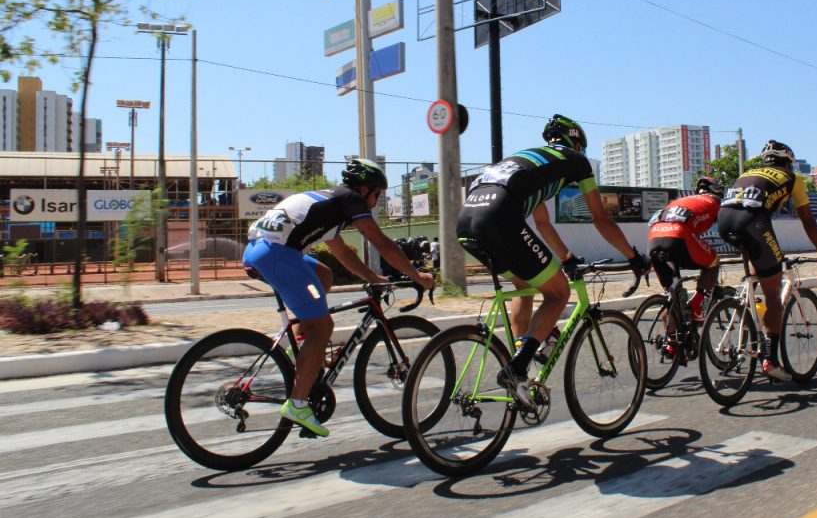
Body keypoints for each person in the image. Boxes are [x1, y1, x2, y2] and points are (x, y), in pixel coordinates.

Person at [457, 114, 650, 407]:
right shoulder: (574, 160)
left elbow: (543, 224)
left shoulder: (528, 161)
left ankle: (520, 360)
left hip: (467, 220)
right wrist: (633, 256)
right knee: (558, 293)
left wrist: (566, 256)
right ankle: (518, 368)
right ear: (576, 143)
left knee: (525, 282)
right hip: (499, 216)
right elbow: (601, 219)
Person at [243, 158, 435, 438]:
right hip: (278, 255)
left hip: (258, 251)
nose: (377, 200)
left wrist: (374, 279)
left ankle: (299, 345)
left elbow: (342, 253)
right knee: (324, 327)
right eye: (377, 194)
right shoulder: (350, 199)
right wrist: (417, 276)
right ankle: (297, 405)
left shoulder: (328, 202)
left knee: (324, 277)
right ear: (365, 189)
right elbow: (380, 241)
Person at [716, 140, 817, 381]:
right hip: (753, 222)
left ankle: (748, 320)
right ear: (789, 162)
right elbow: (807, 220)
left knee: (758, 273)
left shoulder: (748, 172)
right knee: (774, 295)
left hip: (724, 220)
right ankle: (770, 360)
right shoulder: (793, 178)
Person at [647, 176, 725, 349]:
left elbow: (652, 221)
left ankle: (672, 344)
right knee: (713, 261)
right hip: (678, 235)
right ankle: (697, 306)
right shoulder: (716, 203)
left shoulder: (681, 200)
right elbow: (729, 227)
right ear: (718, 192)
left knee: (675, 296)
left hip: (654, 238)